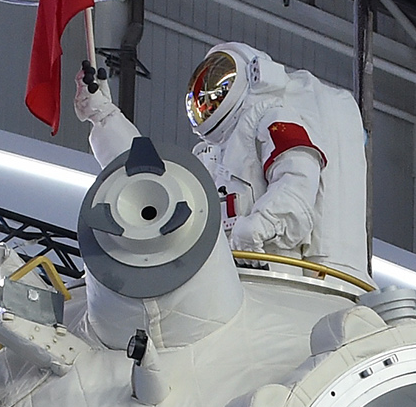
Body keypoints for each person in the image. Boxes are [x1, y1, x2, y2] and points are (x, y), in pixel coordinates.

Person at [72, 41, 363, 267]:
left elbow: (298, 178)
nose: (209, 97)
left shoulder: (271, 116)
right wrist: (104, 116)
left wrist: (259, 226)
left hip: (272, 266)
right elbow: (152, 191)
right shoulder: (210, 154)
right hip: (222, 271)